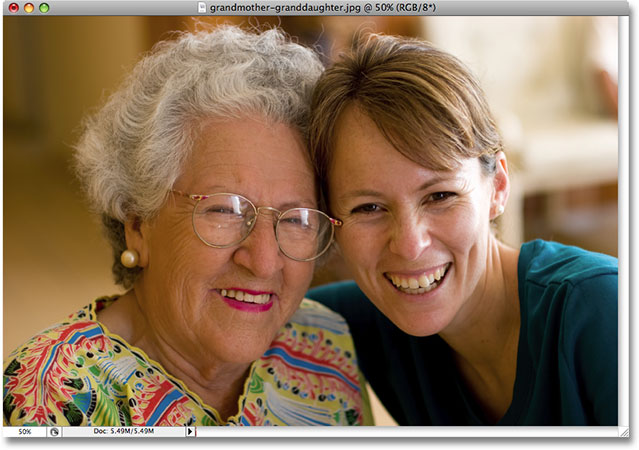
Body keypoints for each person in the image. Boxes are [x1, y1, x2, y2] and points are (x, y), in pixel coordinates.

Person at [3, 26, 372, 427]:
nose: (265, 262)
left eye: (297, 218)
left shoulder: (324, 345)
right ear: (137, 223)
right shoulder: (50, 397)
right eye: (225, 210)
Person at [307, 33, 618, 425]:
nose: (410, 245)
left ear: (498, 187)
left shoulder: (601, 311)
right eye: (369, 207)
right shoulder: (354, 322)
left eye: (439, 196)